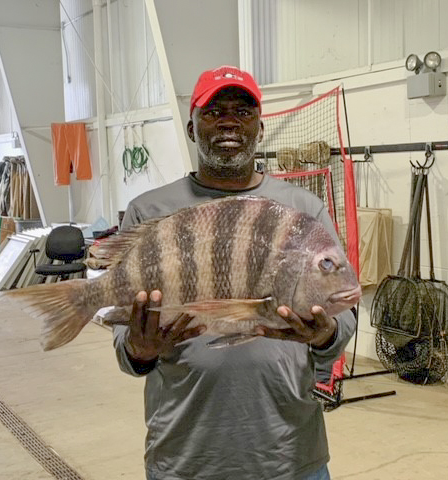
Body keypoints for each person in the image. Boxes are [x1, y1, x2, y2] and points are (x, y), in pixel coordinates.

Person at [113, 65, 358, 480]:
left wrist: (325, 334)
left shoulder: (303, 208)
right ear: (192, 128)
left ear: (260, 129)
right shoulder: (148, 210)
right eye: (213, 111)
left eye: (243, 112)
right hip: (186, 456)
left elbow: (344, 318)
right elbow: (126, 347)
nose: (229, 119)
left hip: (290, 454)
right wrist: (140, 349)